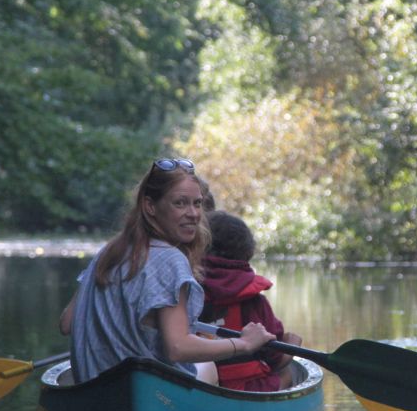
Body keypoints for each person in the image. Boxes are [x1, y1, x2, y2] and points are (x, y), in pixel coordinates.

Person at [58, 158, 273, 385]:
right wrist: (243, 344)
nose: (194, 214)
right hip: (143, 390)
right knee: (206, 366)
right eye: (180, 203)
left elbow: (68, 323)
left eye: (197, 203)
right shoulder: (170, 259)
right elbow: (178, 348)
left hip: (95, 389)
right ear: (150, 206)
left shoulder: (109, 251)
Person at [199, 210, 303, 391]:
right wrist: (293, 345)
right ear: (246, 253)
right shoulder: (254, 302)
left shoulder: (187, 288)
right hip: (249, 388)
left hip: (198, 382)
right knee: (286, 374)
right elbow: (276, 360)